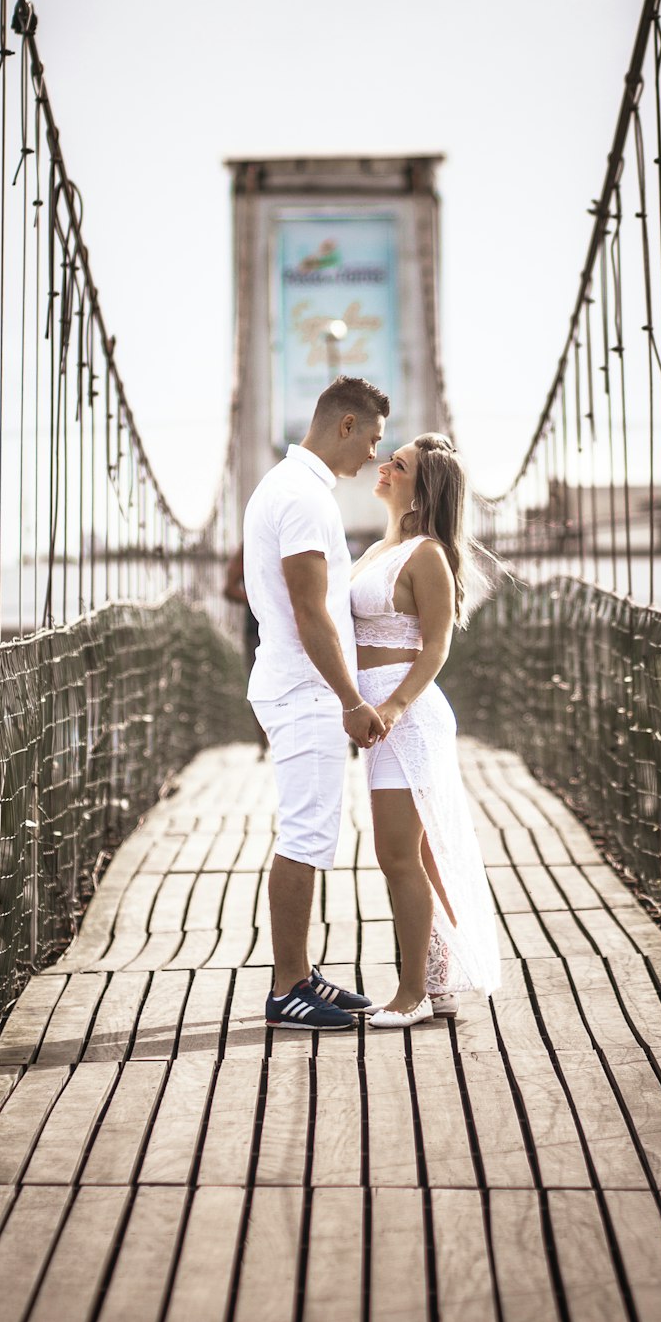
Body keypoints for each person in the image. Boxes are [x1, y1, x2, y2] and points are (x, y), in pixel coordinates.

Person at [243, 376, 392, 1032]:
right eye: (374, 440)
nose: (374, 458)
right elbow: (310, 612)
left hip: (297, 682)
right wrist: (351, 699)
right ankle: (285, 991)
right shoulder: (302, 498)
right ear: (346, 426)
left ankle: (300, 974)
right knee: (304, 835)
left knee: (310, 831)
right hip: (307, 688)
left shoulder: (290, 487)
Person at [350, 432, 501, 1027]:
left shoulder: (427, 555)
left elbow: (435, 646)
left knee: (397, 855)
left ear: (421, 488)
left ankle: (410, 993)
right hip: (376, 717)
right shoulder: (376, 550)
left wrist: (392, 708)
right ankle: (439, 982)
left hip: (404, 718)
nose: (383, 466)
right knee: (419, 855)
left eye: (399, 464)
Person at [223, 543, 268, 756]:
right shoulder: (249, 545)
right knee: (258, 684)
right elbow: (229, 589)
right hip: (256, 629)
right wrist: (260, 602)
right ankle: (264, 745)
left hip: (295, 626)